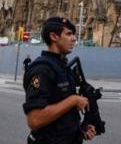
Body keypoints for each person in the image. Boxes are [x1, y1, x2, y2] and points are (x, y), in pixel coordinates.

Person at [23, 16, 96, 144]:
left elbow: (61, 114)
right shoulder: (43, 69)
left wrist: (80, 130)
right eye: (69, 34)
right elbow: (34, 120)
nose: (74, 38)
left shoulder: (63, 66)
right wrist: (73, 100)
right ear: (54, 36)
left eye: (73, 34)